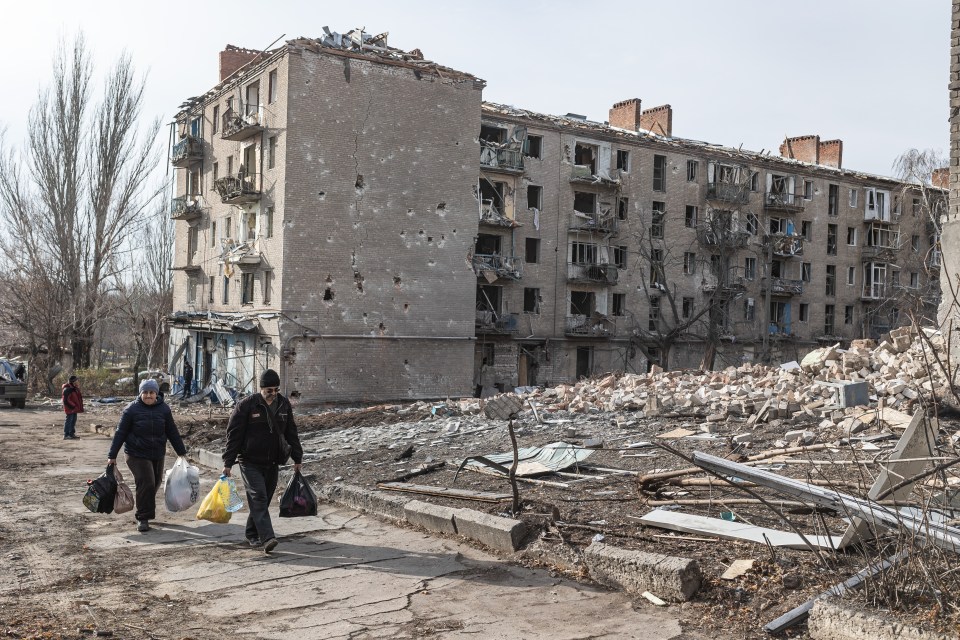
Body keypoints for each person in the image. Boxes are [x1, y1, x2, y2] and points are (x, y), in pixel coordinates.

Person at [222, 369, 303, 554]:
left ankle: (252, 533)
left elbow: (291, 431)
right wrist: (228, 462)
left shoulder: (283, 404)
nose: (273, 394)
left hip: (272, 461)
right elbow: (234, 435)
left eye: (276, 390)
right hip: (249, 461)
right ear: (261, 389)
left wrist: (297, 457)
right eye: (269, 390)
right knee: (258, 496)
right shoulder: (247, 406)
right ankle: (268, 538)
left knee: (263, 499)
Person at [107, 379, 188, 533]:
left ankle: (145, 507)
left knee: (155, 483)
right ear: (140, 393)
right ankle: (143, 518)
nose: (148, 395)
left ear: (156, 394)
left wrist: (181, 451)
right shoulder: (131, 410)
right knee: (147, 483)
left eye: (151, 392)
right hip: (136, 454)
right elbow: (120, 433)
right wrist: (112, 455)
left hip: (157, 453)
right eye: (145, 392)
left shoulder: (164, 409)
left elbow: (172, 430)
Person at [61, 375, 84, 440]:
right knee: (69, 421)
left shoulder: (74, 388)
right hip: (70, 408)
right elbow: (66, 400)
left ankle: (71, 434)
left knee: (73, 421)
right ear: (73, 382)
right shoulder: (67, 389)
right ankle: (66, 434)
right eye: (76, 380)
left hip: (74, 408)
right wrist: (73, 406)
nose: (78, 382)